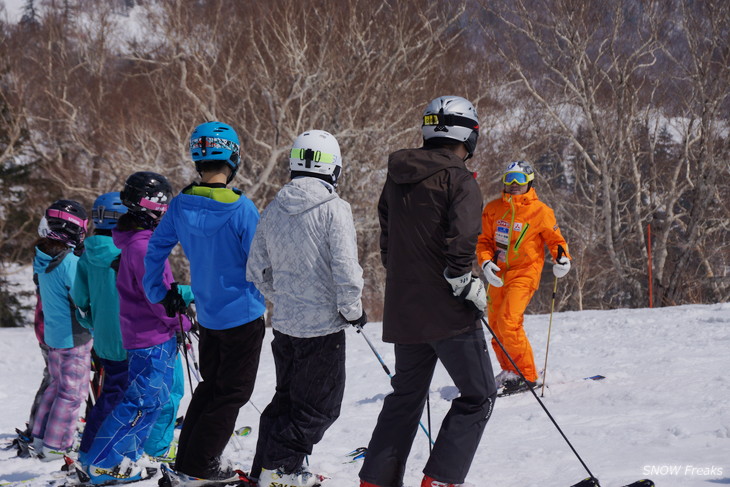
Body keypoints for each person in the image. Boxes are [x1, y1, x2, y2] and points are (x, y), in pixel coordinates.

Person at [359, 96, 497, 487]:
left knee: (406, 398)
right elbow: (465, 236)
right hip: (449, 314)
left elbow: (388, 240)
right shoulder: (459, 179)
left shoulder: (397, 176)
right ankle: (440, 479)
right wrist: (462, 281)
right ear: (466, 135)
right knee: (479, 394)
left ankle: (375, 481)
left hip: (405, 311)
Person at [143, 121, 266, 481]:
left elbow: (156, 249)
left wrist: (158, 292)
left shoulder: (180, 205)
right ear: (234, 158)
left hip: (209, 317)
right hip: (243, 316)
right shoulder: (242, 209)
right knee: (231, 395)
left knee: (210, 388)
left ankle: (189, 461)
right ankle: (200, 465)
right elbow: (261, 266)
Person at [246, 130, 366, 487]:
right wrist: (351, 308)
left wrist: (282, 295)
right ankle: (280, 471)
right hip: (322, 329)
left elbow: (256, 269)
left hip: (285, 326)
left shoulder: (273, 206)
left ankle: (265, 469)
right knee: (319, 409)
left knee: (287, 401)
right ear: (334, 169)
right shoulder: (334, 209)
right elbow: (346, 269)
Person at [84, 173, 191, 485]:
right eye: (163, 205)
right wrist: (180, 321)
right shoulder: (143, 248)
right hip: (151, 337)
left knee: (151, 401)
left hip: (147, 334)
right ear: (149, 206)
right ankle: (104, 462)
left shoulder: (137, 243)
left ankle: (124, 458)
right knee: (140, 402)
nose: (167, 212)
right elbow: (157, 297)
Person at [476, 160, 572, 395]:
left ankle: (527, 375)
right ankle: (510, 371)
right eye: (509, 179)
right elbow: (484, 241)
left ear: (530, 182)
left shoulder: (540, 211)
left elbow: (556, 241)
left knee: (509, 320)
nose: (514, 184)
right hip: (498, 274)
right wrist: (486, 262)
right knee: (496, 324)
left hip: (525, 272)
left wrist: (562, 259)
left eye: (520, 180)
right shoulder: (493, 208)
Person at [31, 200, 93, 461]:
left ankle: (40, 435)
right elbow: (82, 298)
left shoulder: (43, 258)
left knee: (56, 387)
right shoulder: (69, 264)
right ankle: (57, 445)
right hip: (73, 338)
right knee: (72, 394)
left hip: (54, 336)